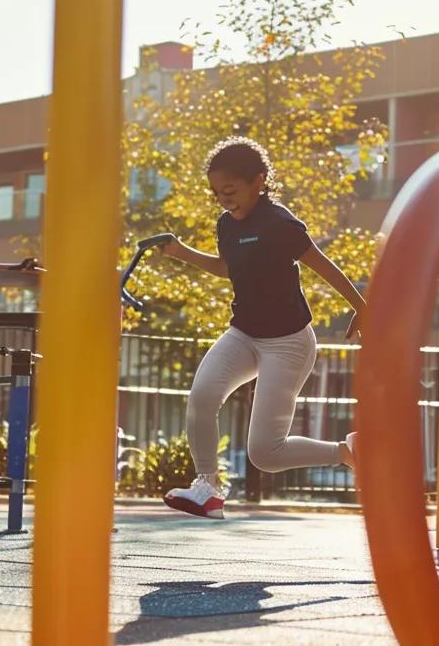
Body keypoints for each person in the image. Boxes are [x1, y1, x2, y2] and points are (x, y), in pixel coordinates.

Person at [149, 136, 370, 519]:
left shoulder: (279, 224)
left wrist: (362, 307)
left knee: (265, 454)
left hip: (288, 343)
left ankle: (348, 453)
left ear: (259, 180)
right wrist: (181, 251)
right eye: (216, 193)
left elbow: (323, 265)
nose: (224, 200)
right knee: (202, 396)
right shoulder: (226, 225)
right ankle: (208, 489)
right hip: (245, 334)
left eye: (230, 190)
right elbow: (226, 267)